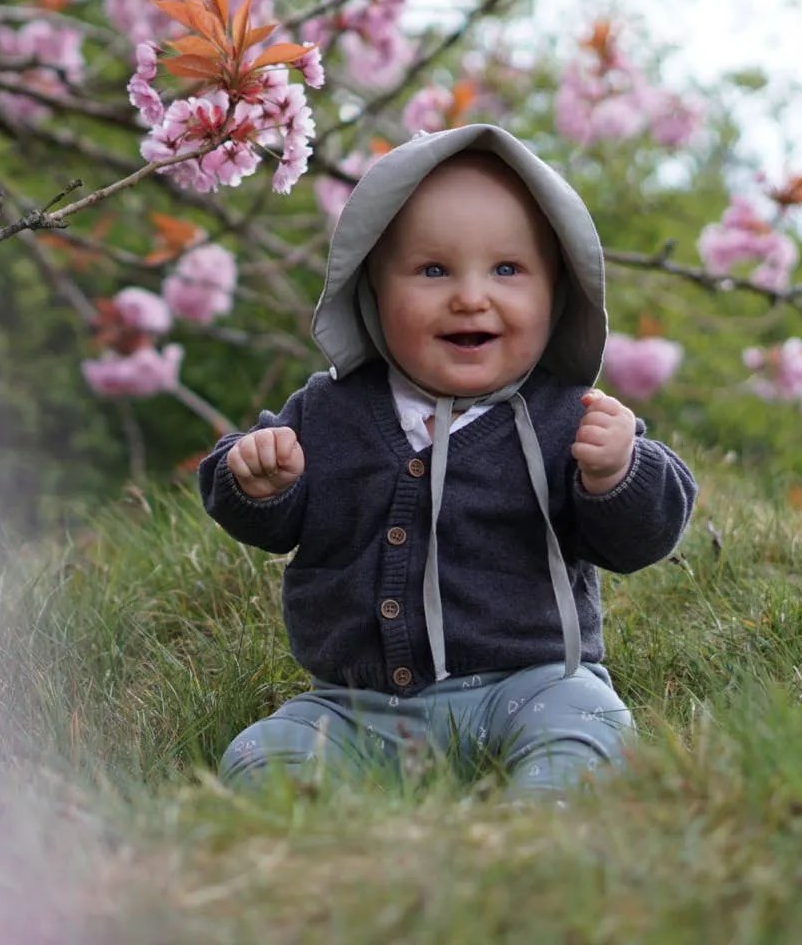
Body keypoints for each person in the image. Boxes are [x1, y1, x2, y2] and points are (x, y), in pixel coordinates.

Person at [196, 124, 698, 797]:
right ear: (372, 290)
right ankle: (326, 818)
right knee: (264, 755)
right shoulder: (328, 412)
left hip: (531, 686)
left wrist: (616, 475)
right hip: (358, 705)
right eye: (433, 270)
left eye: (507, 270)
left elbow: (642, 538)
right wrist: (257, 481)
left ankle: (546, 808)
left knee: (587, 724)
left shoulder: (569, 417)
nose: (470, 295)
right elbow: (264, 520)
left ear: (559, 293)